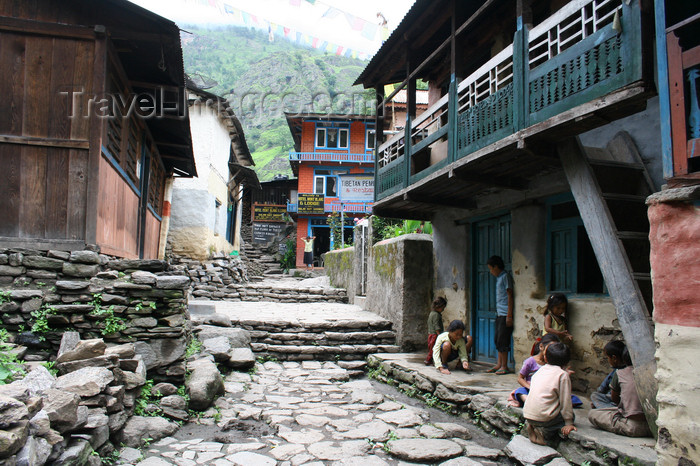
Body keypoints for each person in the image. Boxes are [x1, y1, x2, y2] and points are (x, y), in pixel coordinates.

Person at [588, 342, 651, 437]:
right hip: (651, 425)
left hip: (632, 425)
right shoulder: (649, 373)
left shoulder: (620, 373)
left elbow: (615, 399)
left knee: (592, 414)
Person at [523, 342, 577, 446]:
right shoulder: (563, 375)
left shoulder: (540, 371)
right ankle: (542, 437)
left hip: (528, 415)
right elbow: (565, 401)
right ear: (567, 361)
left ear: (546, 359)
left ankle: (531, 428)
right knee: (570, 416)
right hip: (544, 419)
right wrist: (569, 423)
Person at [486, 255, 514, 375]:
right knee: (497, 339)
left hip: (505, 314)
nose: (491, 272)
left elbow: (510, 295)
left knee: (503, 340)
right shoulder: (499, 278)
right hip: (499, 313)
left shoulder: (505, 277)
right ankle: (498, 364)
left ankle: (504, 366)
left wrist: (509, 315)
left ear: (496, 267)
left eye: (491, 269)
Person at [590, 340, 625, 409]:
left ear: (614, 358)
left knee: (594, 396)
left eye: (608, 358)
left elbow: (613, 396)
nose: (608, 360)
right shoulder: (618, 370)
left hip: (617, 401)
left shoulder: (618, 373)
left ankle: (608, 409)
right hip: (617, 399)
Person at [425, 296, 446, 365]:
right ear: (439, 306)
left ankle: (431, 360)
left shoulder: (432, 313)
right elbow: (436, 326)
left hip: (430, 334)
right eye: (443, 308)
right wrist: (439, 335)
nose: (443, 309)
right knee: (434, 349)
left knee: (432, 348)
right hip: (434, 335)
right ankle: (428, 360)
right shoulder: (436, 315)